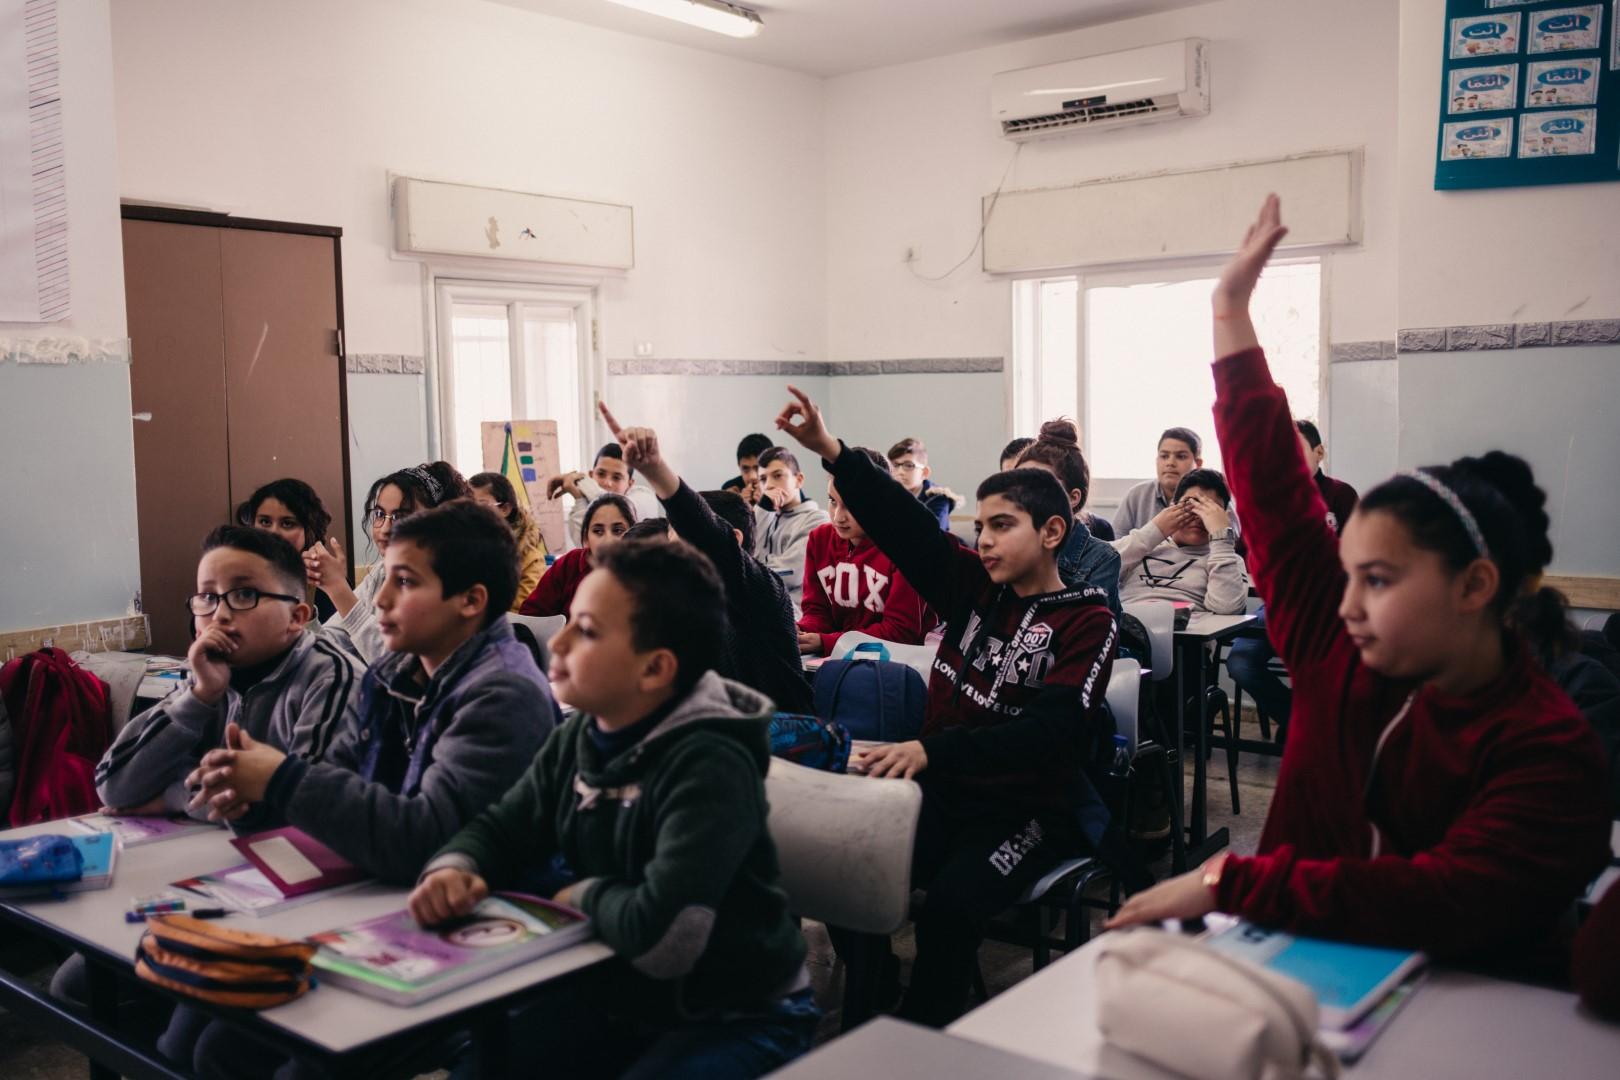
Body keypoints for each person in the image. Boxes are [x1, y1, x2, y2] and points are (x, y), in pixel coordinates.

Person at [1106, 196, 1610, 965]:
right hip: (1290, 981)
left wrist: (1231, 882)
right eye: (1348, 575)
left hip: (1461, 1005)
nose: (1346, 604)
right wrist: (1229, 311)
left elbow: (1442, 898)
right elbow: (1276, 499)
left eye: (1377, 580)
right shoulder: (1336, 650)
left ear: (1474, 586)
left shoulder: (1547, 741)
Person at [774, 385, 1145, 1027]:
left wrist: (929, 751)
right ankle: (874, 985)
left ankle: (922, 1037)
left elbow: (1050, 734)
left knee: (949, 908)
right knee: (840, 862)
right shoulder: (974, 585)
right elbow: (908, 527)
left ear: (1052, 531)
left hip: (1029, 808)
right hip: (945, 788)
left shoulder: (1088, 620)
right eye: (981, 526)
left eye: (1003, 525)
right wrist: (831, 450)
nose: (986, 540)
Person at [167, 502, 562, 1079]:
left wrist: (281, 778)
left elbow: (423, 842)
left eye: (405, 582)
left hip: (472, 931)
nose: (379, 600)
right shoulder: (394, 674)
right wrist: (252, 802)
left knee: (245, 1055)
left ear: (470, 601)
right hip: (372, 898)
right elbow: (344, 799)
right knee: (200, 1032)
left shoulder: (502, 693)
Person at [409, 541, 818, 1078]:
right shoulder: (581, 733)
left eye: (586, 630)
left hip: (738, 1014)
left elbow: (665, 940)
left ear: (654, 669)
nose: (558, 641)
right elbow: (505, 827)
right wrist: (457, 866)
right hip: (621, 987)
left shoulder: (709, 764)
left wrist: (580, 895)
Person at [95, 526, 364, 819]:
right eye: (208, 597)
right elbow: (114, 786)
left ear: (296, 617)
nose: (220, 615)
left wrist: (174, 796)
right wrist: (200, 697)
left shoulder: (331, 677)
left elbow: (310, 803)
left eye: (245, 594)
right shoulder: (205, 676)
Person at [600, 403, 813, 715]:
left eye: (681, 539)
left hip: (779, 734)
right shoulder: (691, 602)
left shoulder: (762, 592)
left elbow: (707, 533)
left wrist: (656, 470)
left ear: (732, 541)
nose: (674, 553)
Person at [1226, 420, 1358, 739]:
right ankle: (1299, 721)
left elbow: (1358, 555)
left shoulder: (1340, 494)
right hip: (1279, 609)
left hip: (1330, 612)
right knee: (1240, 661)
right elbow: (1242, 554)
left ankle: (1312, 730)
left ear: (1319, 452)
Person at [306, 462, 469, 662]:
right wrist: (307, 597)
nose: (384, 529)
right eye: (379, 514)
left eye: (401, 517)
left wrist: (339, 589)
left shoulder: (449, 583)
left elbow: (402, 667)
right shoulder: (381, 573)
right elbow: (323, 652)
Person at [796, 448, 933, 657]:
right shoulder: (819, 539)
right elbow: (817, 611)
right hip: (838, 654)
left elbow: (901, 632)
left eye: (851, 505)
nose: (838, 517)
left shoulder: (906, 545)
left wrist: (827, 642)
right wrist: (802, 631)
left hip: (899, 660)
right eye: (832, 501)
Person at [1015, 420, 1121, 613]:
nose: (1025, 496)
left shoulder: (1102, 559)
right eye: (1018, 485)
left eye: (1039, 486)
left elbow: (1090, 627)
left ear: (1073, 498)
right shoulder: (1007, 545)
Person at [1112, 469, 1247, 615]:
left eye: (1210, 510)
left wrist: (1221, 536)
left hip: (1188, 626)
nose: (1198, 516)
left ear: (1224, 517)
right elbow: (1098, 566)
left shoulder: (1228, 560)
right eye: (1190, 504)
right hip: (1126, 622)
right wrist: (1154, 531)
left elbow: (1227, 608)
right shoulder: (1141, 549)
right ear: (1172, 507)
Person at [1112, 427, 1240, 544]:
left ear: (1198, 463)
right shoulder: (1136, 495)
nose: (1170, 463)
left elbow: (1233, 541)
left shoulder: (1215, 497)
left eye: (1181, 456)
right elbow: (1116, 543)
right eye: (1164, 456)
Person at [234, 478, 338, 621]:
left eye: (287, 524)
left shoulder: (327, 584)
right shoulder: (236, 577)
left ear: (309, 531)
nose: (273, 532)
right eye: (265, 522)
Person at [520, 494, 634, 617]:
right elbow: (531, 614)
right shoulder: (569, 565)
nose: (608, 540)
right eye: (598, 531)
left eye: (618, 531)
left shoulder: (642, 573)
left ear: (634, 534)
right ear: (586, 538)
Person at [752, 447, 829, 613]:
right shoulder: (765, 516)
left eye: (777, 475)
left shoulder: (817, 520)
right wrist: (762, 510)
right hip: (762, 609)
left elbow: (792, 574)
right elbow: (749, 553)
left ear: (799, 480)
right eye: (763, 479)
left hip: (797, 616)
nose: (769, 485)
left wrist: (754, 567)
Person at [552, 442, 660, 548]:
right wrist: (579, 498)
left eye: (616, 477)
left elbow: (614, 501)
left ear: (630, 483)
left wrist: (580, 481)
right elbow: (585, 547)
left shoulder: (643, 496)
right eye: (601, 474)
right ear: (591, 475)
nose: (607, 483)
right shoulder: (582, 504)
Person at [469, 471, 548, 611]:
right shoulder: (463, 548)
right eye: (468, 505)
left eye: (481, 506)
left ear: (505, 509)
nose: (472, 513)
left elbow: (521, 609)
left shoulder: (530, 559)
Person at [889, 437, 959, 531]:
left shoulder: (938, 498)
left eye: (909, 465)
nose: (900, 472)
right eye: (895, 465)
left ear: (924, 473)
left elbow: (932, 535)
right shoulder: (888, 495)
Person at [723, 432, 775, 507]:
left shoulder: (782, 488)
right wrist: (736, 506)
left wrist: (767, 505)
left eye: (758, 468)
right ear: (739, 466)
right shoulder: (730, 488)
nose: (752, 476)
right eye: (745, 468)